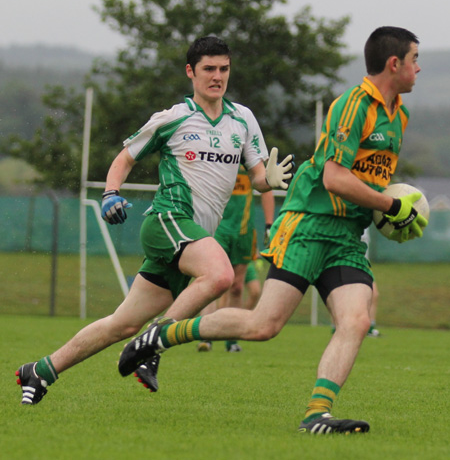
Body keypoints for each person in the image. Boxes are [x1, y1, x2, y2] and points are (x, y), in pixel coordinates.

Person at [116, 26, 428, 434]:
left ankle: (317, 415)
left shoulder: (398, 114)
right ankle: (162, 336)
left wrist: (389, 209)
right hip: (309, 226)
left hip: (347, 236)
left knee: (355, 320)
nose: (419, 69)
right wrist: (391, 206)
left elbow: (369, 180)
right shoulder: (354, 105)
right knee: (263, 325)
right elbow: (333, 178)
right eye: (415, 60)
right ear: (394, 63)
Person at [15, 36, 293, 405]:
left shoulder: (242, 119)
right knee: (222, 276)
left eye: (223, 69)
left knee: (123, 323)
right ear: (191, 72)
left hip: (193, 240)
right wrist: (111, 192)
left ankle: (43, 370)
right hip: (168, 221)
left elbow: (258, 178)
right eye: (209, 69)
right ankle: (152, 344)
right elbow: (124, 158)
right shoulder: (173, 118)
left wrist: (268, 181)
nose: (217, 76)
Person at [197, 167, 274, 352]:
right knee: (211, 280)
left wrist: (269, 225)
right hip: (218, 228)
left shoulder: (252, 159)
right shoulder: (221, 153)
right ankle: (205, 336)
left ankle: (231, 339)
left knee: (238, 287)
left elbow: (267, 187)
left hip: (243, 231)